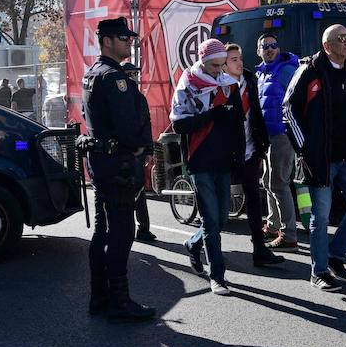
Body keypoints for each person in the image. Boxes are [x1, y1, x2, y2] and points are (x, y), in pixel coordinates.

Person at [283, 24, 346, 292]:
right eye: (340, 38)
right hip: (321, 159)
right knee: (320, 217)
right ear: (327, 46)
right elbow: (288, 110)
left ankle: (335, 254)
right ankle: (319, 271)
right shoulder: (310, 70)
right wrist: (304, 148)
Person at [82, 17, 155, 321]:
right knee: (121, 233)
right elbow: (128, 128)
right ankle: (119, 301)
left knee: (103, 231)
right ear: (108, 40)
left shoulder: (93, 73)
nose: (129, 44)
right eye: (124, 39)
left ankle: (100, 297)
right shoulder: (115, 78)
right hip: (119, 165)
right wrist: (142, 147)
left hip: (103, 163)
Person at [170, 39, 245, 296]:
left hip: (224, 160)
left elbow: (238, 124)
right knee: (211, 221)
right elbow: (179, 125)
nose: (218, 71)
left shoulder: (230, 85)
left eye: (221, 65)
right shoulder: (187, 84)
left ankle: (192, 244)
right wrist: (211, 115)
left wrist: (239, 156)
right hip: (200, 160)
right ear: (202, 62)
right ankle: (218, 276)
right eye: (214, 66)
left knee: (222, 218)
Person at [224, 43, 286, 268]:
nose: (239, 62)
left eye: (240, 58)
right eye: (233, 59)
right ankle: (198, 242)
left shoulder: (250, 80)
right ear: (223, 64)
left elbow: (257, 113)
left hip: (250, 151)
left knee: (253, 201)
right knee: (218, 209)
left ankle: (259, 249)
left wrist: (261, 144)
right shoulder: (219, 85)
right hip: (227, 154)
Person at [255, 33, 301, 252]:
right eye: (265, 46)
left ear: (279, 48)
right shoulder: (261, 73)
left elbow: (298, 101)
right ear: (259, 51)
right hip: (267, 137)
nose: (270, 49)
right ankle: (273, 227)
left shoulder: (286, 70)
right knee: (267, 181)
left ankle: (289, 235)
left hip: (282, 135)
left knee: (279, 183)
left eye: (274, 45)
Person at [120, 61, 157, 243]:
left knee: (140, 191)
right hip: (124, 152)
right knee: (125, 192)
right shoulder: (118, 96)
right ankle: (126, 229)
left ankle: (143, 229)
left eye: (135, 74)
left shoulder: (139, 98)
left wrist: (148, 149)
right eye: (130, 74)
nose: (134, 77)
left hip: (139, 152)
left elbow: (147, 124)